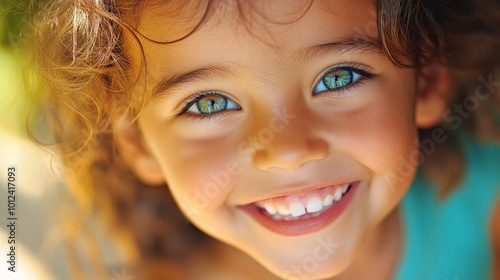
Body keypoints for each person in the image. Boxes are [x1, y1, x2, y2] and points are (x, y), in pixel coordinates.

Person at [24, 0, 500, 279]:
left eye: (338, 78)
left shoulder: (487, 197)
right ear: (140, 144)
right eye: (209, 103)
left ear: (427, 82)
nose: (288, 151)